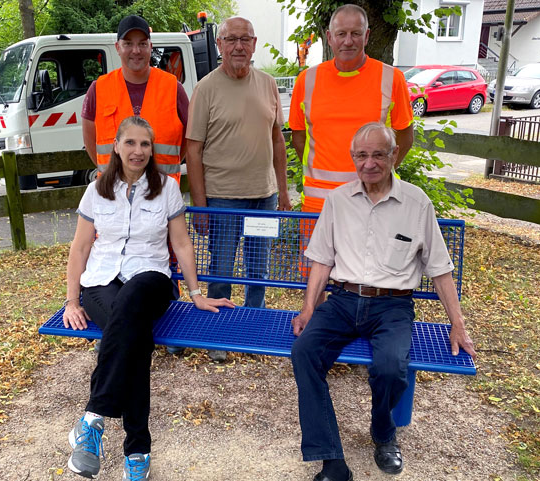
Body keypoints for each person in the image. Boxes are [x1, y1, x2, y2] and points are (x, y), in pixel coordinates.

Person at [290, 123, 477, 480]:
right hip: (343, 300)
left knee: (392, 367)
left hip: (392, 306)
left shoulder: (416, 202)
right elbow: (321, 259)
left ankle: (383, 432)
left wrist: (458, 322)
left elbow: (439, 268)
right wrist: (308, 309)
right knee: (304, 352)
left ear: (393, 156)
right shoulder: (338, 200)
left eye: (378, 154)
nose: (370, 163)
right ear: (353, 159)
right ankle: (332, 460)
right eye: (362, 155)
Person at [62, 116, 234, 480]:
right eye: (130, 143)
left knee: (133, 306)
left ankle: (93, 419)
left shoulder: (167, 187)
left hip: (151, 279)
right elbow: (79, 249)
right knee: (135, 339)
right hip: (100, 282)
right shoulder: (96, 190)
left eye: (145, 144)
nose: (138, 151)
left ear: (152, 149)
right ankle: (137, 448)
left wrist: (197, 294)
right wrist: (72, 301)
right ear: (117, 147)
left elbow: (181, 243)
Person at [186, 16, 290, 362]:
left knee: (258, 268)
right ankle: (219, 332)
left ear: (255, 43)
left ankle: (254, 326)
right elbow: (193, 150)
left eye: (245, 39)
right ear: (219, 45)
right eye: (231, 40)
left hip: (264, 196)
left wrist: (284, 192)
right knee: (222, 267)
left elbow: (278, 141)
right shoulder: (206, 88)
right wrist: (200, 205)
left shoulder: (268, 84)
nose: (238, 47)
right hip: (223, 198)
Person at [289, 4, 414, 214]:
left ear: (367, 37)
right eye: (341, 34)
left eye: (356, 33)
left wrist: (381, 173)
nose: (348, 41)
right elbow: (298, 138)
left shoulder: (392, 78)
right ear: (329, 37)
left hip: (374, 200)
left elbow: (405, 137)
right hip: (318, 202)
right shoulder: (306, 80)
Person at [81, 15, 189, 184]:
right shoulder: (98, 89)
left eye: (142, 43)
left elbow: (188, 140)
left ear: (150, 47)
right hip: (114, 192)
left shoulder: (173, 87)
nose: (136, 50)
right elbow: (90, 143)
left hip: (161, 192)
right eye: (128, 43)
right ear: (118, 47)